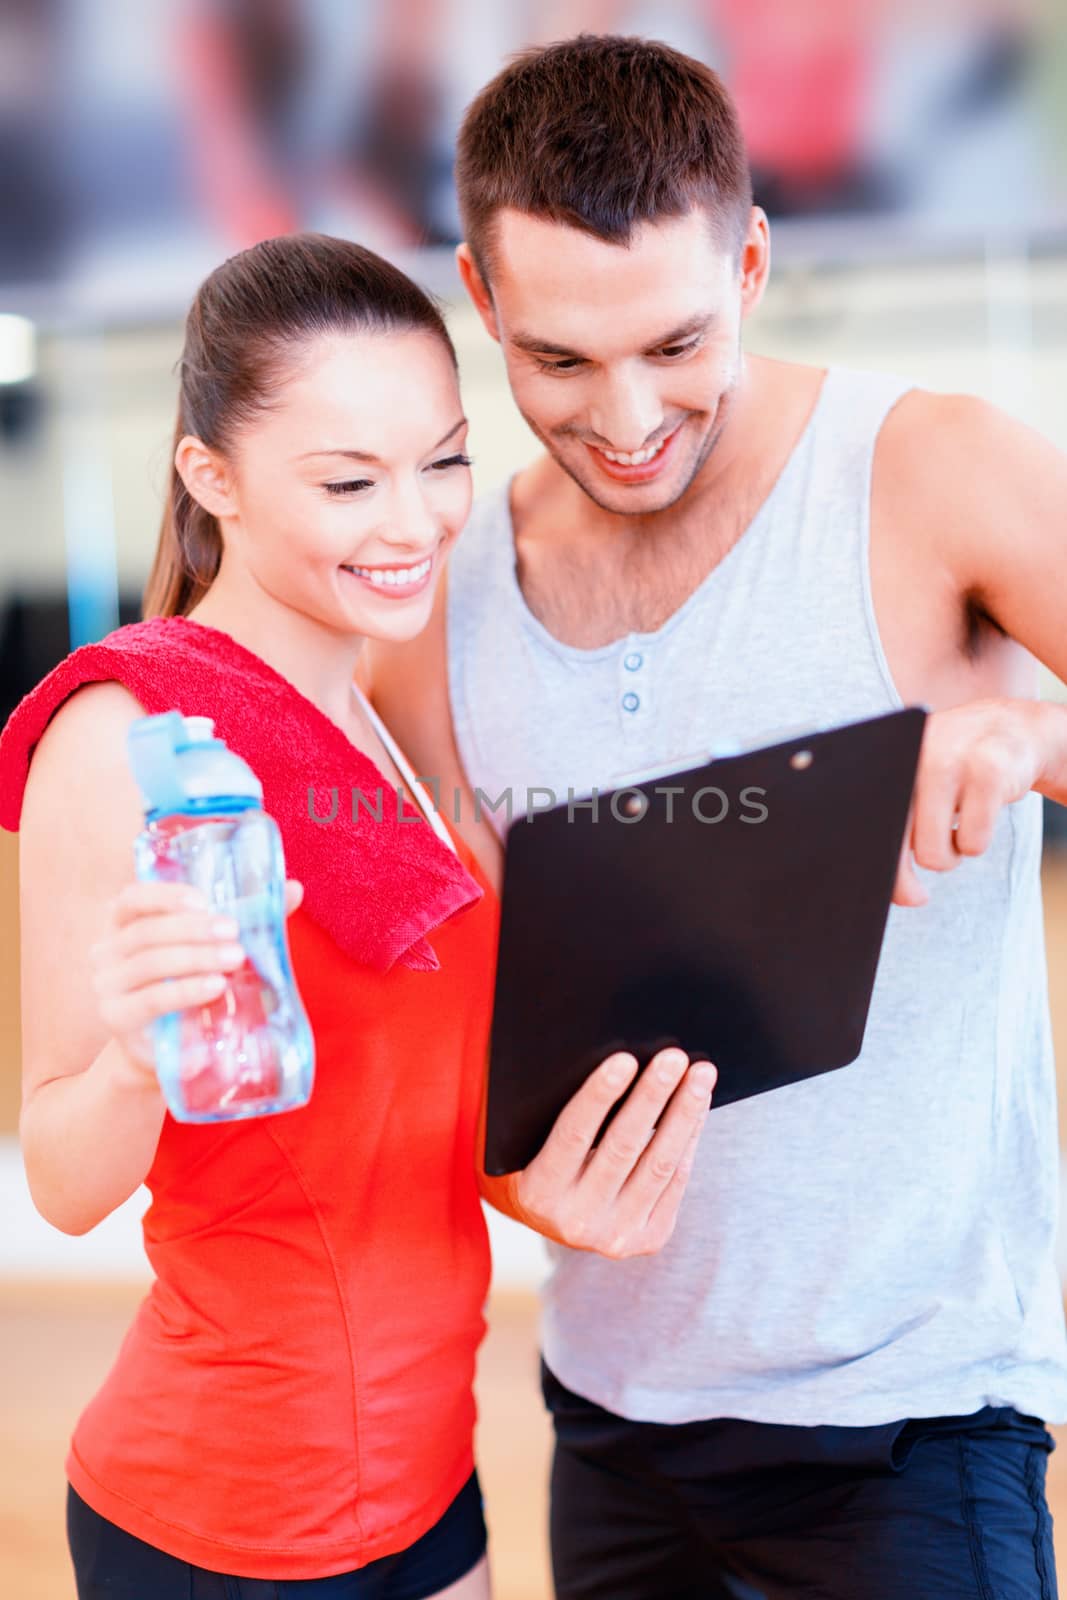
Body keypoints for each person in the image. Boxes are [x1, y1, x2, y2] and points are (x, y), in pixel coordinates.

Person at [366, 34, 1067, 1600]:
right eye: (558, 362)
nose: (625, 417)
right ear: (482, 304)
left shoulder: (929, 471)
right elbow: (470, 993)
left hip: (910, 1419)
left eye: (676, 342)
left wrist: (1031, 732)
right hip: (612, 1418)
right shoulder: (439, 591)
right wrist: (505, 1175)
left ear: (750, 263)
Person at [0, 232, 713, 1599]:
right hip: (221, 1516)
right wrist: (140, 1054)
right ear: (212, 478)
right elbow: (63, 1178)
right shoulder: (127, 728)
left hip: (433, 1483)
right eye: (347, 481)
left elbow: (413, 1128)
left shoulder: (389, 718)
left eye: (442, 459)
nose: (415, 521)